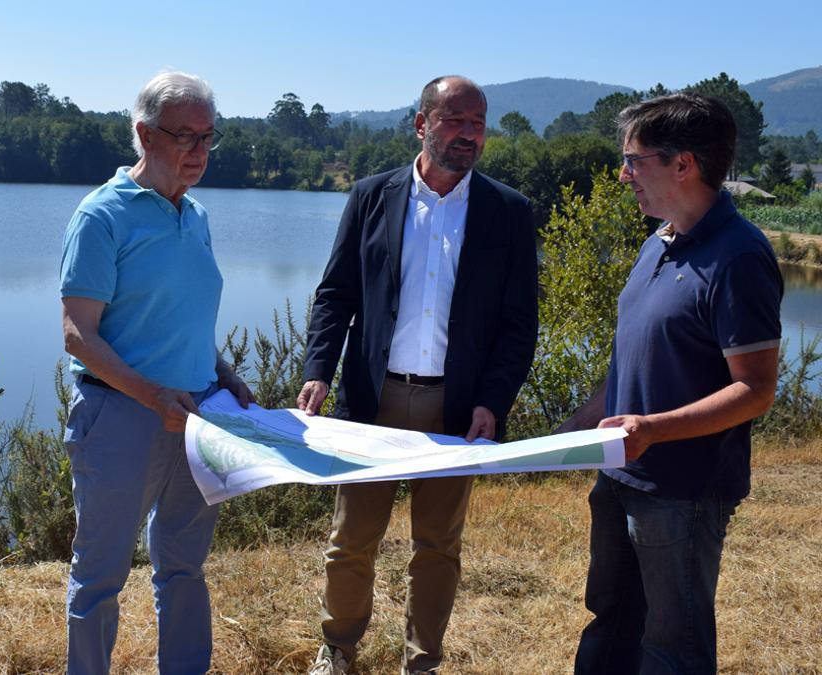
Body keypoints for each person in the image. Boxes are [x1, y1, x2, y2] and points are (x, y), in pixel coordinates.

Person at [299, 76, 539, 674]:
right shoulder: (370, 196)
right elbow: (336, 294)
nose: (468, 134)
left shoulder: (507, 211)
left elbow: (518, 325)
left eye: (478, 122)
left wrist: (493, 401)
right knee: (351, 542)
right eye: (455, 120)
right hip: (371, 403)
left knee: (437, 548)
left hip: (454, 409)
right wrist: (319, 371)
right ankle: (340, 652)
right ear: (421, 123)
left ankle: (422, 663)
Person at [560, 93, 782, 674]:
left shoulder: (739, 256)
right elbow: (633, 363)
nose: (623, 172)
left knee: (670, 647)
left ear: (683, 164)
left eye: (634, 159)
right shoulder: (656, 243)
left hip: (683, 492)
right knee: (610, 623)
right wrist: (571, 429)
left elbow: (756, 390)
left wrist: (653, 429)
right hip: (620, 475)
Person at [59, 70, 253, 675]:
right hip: (120, 416)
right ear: (144, 134)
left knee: (184, 564)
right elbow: (78, 335)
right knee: (99, 576)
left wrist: (225, 374)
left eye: (207, 137)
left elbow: (181, 318)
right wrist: (152, 397)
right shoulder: (102, 215)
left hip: (197, 415)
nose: (198, 152)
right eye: (183, 136)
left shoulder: (195, 215)